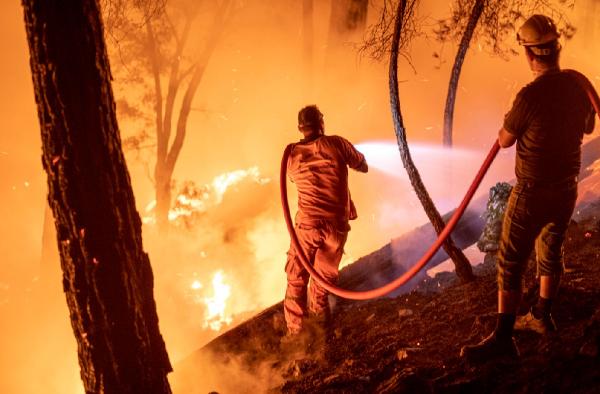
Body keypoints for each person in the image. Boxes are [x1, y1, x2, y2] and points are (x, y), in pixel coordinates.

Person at [461, 14, 596, 362]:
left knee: (509, 260)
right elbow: (588, 123)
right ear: (556, 49)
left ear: (530, 55)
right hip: (566, 189)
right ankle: (541, 316)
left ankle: (504, 338)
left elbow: (505, 140)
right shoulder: (577, 88)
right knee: (550, 251)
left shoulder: (528, 96)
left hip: (533, 192)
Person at [283, 105, 368, 338]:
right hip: (335, 227)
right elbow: (363, 165)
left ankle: (296, 334)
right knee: (323, 278)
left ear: (301, 128)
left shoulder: (291, 156)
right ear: (321, 123)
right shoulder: (338, 144)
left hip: (307, 227)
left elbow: (292, 178)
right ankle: (319, 324)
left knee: (296, 275)